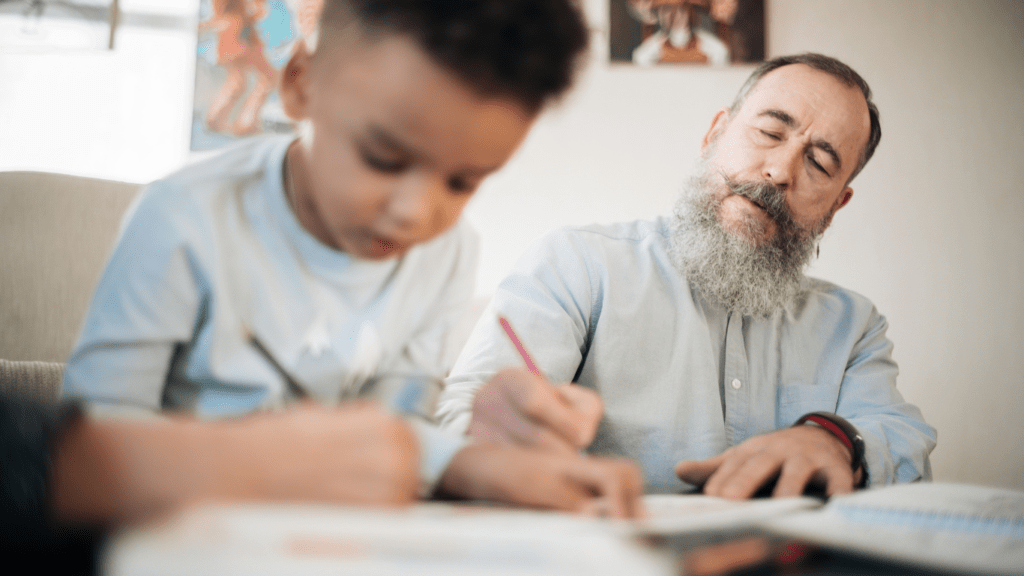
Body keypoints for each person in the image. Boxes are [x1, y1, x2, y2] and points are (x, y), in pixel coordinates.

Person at [62, 0, 643, 517]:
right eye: (383, 158)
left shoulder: (447, 251)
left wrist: (486, 465)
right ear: (300, 83)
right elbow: (90, 434)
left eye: (463, 182)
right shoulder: (182, 218)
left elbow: (398, 429)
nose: (417, 213)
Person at [438, 53, 937, 498]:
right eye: (769, 132)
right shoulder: (579, 265)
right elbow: (462, 419)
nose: (781, 171)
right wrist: (494, 434)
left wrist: (833, 439)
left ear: (835, 206)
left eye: (819, 162)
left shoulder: (854, 327)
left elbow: (902, 442)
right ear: (714, 134)